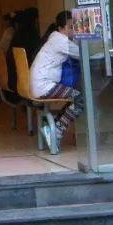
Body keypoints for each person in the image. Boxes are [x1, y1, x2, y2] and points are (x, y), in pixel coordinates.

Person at [28, 11, 84, 150]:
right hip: (44, 86)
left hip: (39, 84)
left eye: (75, 26)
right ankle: (57, 130)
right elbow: (83, 55)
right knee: (80, 99)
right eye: (70, 27)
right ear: (60, 28)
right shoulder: (61, 41)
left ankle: (53, 129)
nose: (73, 30)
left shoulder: (54, 37)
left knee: (75, 97)